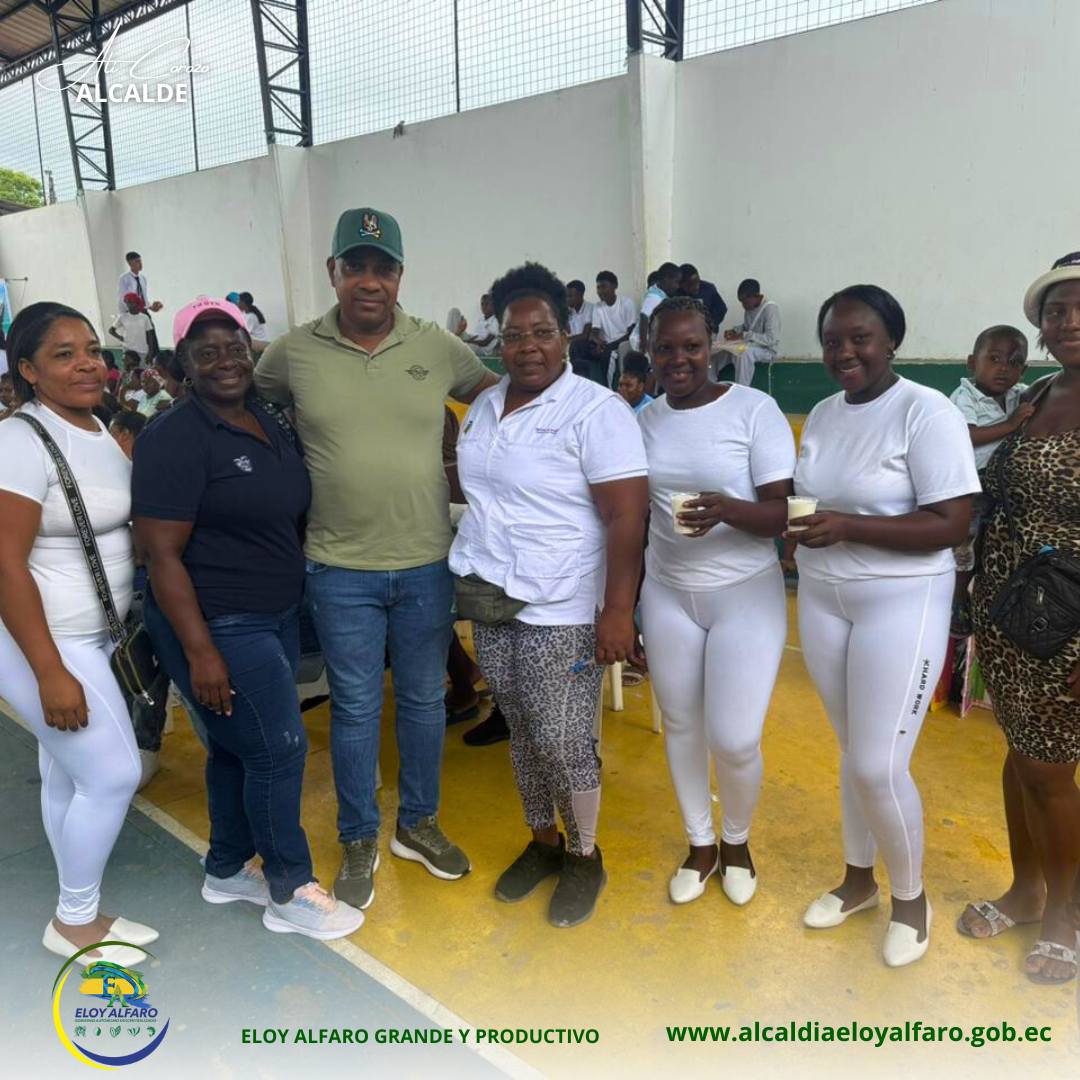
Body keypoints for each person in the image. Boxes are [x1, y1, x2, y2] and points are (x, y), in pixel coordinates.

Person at [255, 207, 499, 911]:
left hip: (425, 562)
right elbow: (247, 407)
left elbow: (495, 394)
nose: (370, 281)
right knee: (357, 707)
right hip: (337, 567)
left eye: (383, 268)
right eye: (355, 266)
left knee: (423, 701)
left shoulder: (437, 346)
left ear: (400, 275)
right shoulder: (293, 353)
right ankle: (360, 834)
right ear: (333, 272)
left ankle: (417, 824)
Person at [134, 296, 363, 940]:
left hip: (275, 614)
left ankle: (228, 867)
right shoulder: (173, 438)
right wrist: (201, 651)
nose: (225, 360)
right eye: (206, 351)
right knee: (278, 749)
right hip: (220, 623)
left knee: (238, 747)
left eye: (234, 347)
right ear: (183, 363)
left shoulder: (267, 418)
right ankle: (290, 888)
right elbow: (160, 555)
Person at [449, 262, 649, 927]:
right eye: (514, 334)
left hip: (562, 605)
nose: (528, 346)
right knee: (523, 732)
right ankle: (542, 842)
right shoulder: (484, 408)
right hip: (493, 597)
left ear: (567, 335)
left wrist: (617, 611)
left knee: (563, 742)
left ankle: (585, 856)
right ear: (499, 341)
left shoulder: (596, 411)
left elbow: (627, 515)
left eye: (542, 332)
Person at [787, 284, 978, 968]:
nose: (844, 352)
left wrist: (847, 526)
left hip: (902, 600)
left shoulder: (926, 412)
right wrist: (801, 529)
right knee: (854, 753)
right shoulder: (825, 413)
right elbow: (811, 497)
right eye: (831, 341)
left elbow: (951, 524)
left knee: (877, 762)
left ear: (891, 341)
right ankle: (857, 882)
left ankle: (912, 901)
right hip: (823, 596)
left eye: (860, 338)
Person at [0, 301, 156, 966]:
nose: (88, 363)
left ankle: (78, 910)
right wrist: (49, 671)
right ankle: (74, 922)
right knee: (114, 773)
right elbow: (5, 563)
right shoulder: (18, 442)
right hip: (45, 642)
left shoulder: (96, 428)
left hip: (96, 637)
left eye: (92, 349)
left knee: (67, 772)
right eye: (64, 354)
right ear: (29, 371)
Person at [638, 296, 794, 907]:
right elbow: (632, 515)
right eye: (665, 348)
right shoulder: (644, 420)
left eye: (692, 346)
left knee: (734, 738)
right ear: (649, 351)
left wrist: (727, 509)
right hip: (667, 592)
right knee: (681, 723)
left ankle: (737, 841)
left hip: (744, 593)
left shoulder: (754, 410)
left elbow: (785, 513)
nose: (678, 359)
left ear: (713, 348)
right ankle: (700, 844)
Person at [960, 252, 1080, 984]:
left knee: (1050, 768)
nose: (1069, 321)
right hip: (1008, 616)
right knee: (1021, 755)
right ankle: (1027, 889)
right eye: (1057, 310)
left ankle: (1066, 912)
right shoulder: (1036, 392)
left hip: (1068, 627)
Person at [947, 326, 1031, 629]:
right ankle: (957, 600)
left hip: (1004, 487)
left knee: (992, 546)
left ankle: (992, 601)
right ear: (972, 362)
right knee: (965, 547)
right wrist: (1010, 425)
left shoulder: (1019, 395)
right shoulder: (965, 396)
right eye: (994, 359)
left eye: (1014, 362)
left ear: (1024, 369)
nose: (1003, 368)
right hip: (971, 486)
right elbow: (965, 436)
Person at [717, 279, 781, 386]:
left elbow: (771, 339)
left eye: (744, 302)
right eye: (741, 302)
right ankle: (710, 382)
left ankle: (742, 389)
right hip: (750, 345)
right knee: (721, 349)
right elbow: (748, 327)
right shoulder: (750, 307)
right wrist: (735, 330)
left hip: (767, 350)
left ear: (756, 296)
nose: (743, 306)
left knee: (744, 353)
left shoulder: (771, 309)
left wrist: (745, 335)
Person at [591, 270, 637, 386]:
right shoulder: (598, 306)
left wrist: (609, 345)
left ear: (615, 286)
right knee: (578, 347)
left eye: (603, 287)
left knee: (608, 352)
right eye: (598, 288)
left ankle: (608, 388)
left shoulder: (626, 303)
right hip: (606, 343)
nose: (600, 291)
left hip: (624, 342)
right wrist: (598, 342)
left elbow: (631, 332)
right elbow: (594, 331)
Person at [631, 263, 681, 351]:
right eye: (676, 282)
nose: (677, 286)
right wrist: (643, 343)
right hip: (641, 340)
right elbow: (644, 316)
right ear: (666, 279)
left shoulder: (659, 293)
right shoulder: (654, 297)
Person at [679, 264, 728, 330]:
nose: (696, 287)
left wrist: (711, 324)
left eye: (697, 282)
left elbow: (721, 309)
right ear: (681, 285)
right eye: (691, 284)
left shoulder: (708, 288)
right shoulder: (676, 294)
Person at [109, 294, 154, 363]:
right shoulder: (122, 317)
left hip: (142, 350)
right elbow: (111, 330)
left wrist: (150, 352)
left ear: (136, 303)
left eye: (131, 302)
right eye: (127, 303)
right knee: (129, 368)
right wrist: (120, 337)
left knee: (142, 368)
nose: (128, 305)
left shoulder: (145, 317)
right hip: (128, 350)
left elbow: (150, 336)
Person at [460, 293, 500, 358]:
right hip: (475, 341)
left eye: (486, 304)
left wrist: (468, 341)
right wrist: (465, 337)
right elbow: (476, 335)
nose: (484, 307)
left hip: (482, 349)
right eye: (482, 304)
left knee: (466, 347)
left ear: (493, 306)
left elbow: (485, 343)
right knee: (455, 315)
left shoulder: (495, 322)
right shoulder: (481, 318)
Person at [566, 280, 594, 345]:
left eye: (570, 296)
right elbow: (568, 331)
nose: (567, 299)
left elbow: (585, 336)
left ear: (581, 295)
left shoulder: (591, 308)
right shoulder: (570, 310)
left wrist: (564, 340)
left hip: (587, 347)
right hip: (573, 346)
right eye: (566, 296)